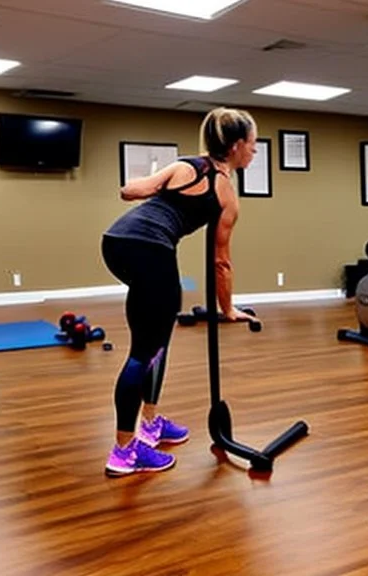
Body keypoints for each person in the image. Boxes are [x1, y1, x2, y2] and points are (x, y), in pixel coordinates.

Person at [100, 107, 259, 477]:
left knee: (156, 342)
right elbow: (221, 262)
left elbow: (130, 191)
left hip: (116, 241)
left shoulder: (186, 166)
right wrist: (229, 309)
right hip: (152, 250)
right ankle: (124, 451)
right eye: (253, 145)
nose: (254, 152)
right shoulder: (226, 195)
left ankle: (150, 424)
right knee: (144, 352)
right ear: (236, 146)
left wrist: (163, 191)